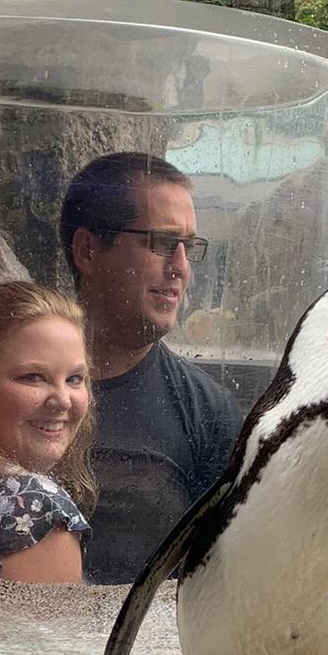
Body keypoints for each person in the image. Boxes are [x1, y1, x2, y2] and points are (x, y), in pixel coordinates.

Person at [60, 151, 245, 583]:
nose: (180, 267)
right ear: (87, 250)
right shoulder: (6, 384)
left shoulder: (207, 412)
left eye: (189, 247)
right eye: (161, 243)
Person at [0, 281, 96, 583]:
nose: (62, 400)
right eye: (33, 377)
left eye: (75, 378)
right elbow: (51, 631)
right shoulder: (38, 510)